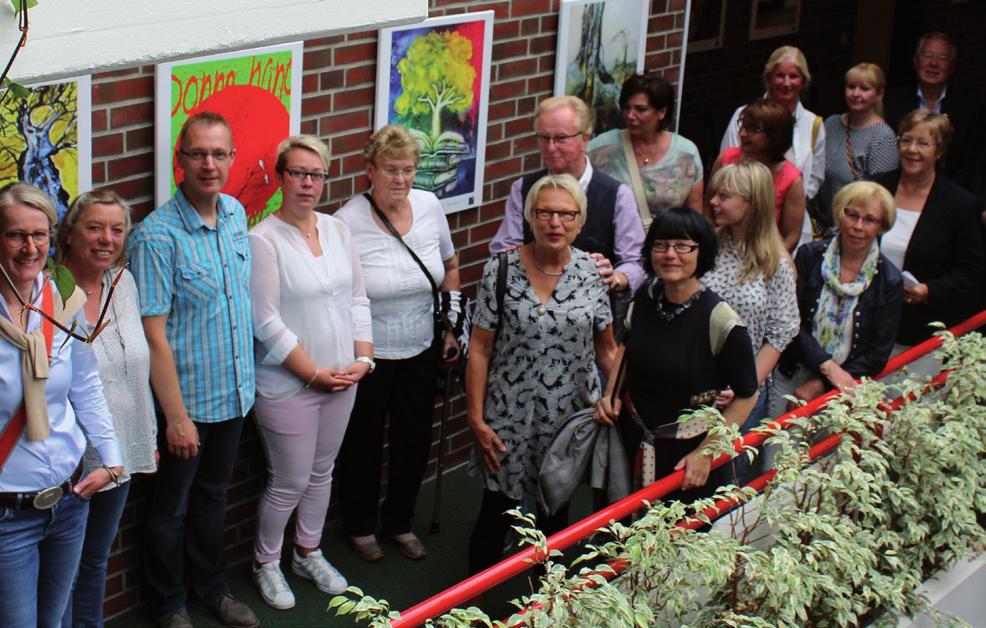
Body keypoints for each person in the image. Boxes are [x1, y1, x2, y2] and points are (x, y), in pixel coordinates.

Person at [130, 112, 258, 628]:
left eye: (219, 154)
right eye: (198, 154)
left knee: (214, 497)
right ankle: (169, 603)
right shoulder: (156, 237)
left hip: (233, 394)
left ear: (231, 158)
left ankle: (212, 589)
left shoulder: (234, 214)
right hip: (187, 404)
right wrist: (176, 418)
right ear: (180, 161)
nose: (209, 164)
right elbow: (152, 335)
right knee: (169, 510)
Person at [467, 174, 616, 573]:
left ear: (580, 222)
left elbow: (607, 348)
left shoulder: (592, 275)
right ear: (530, 217)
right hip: (506, 415)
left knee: (554, 519)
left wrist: (614, 396)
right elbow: (479, 349)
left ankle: (546, 607)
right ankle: (466, 609)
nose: (555, 223)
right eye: (545, 212)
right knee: (494, 514)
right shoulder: (499, 271)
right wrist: (476, 418)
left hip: (567, 418)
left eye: (566, 214)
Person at [248, 135, 373, 609]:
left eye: (316, 174)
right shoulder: (262, 240)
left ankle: (307, 552)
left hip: (344, 378)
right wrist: (313, 373)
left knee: (322, 474)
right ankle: (266, 563)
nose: (307, 182)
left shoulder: (338, 230)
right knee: (290, 480)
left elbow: (358, 298)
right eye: (297, 173)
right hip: (288, 385)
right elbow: (266, 322)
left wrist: (364, 359)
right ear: (280, 178)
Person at [0, 182, 123, 627]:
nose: (29, 247)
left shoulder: (57, 299)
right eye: (16, 235)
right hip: (7, 513)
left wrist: (110, 461)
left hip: (69, 502)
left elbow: (86, 386)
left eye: (40, 235)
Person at [335, 124, 459, 563]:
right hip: (371, 356)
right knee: (363, 444)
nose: (402, 179)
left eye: (408, 170)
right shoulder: (347, 221)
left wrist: (452, 328)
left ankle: (400, 522)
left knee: (413, 441)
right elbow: (342, 294)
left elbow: (449, 264)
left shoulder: (429, 206)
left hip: (422, 348)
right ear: (370, 170)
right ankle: (361, 525)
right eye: (391, 169)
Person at [594, 207, 758, 501]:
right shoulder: (646, 296)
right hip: (633, 442)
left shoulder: (719, 319)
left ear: (702, 252)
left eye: (683, 246)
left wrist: (706, 453)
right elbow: (627, 348)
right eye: (661, 245)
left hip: (687, 458)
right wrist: (611, 395)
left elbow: (748, 394)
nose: (670, 254)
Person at [56, 190, 156, 628]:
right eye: (94, 228)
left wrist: (144, 438)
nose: (106, 239)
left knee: (95, 560)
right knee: (61, 571)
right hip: (70, 463)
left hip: (119, 455)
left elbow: (138, 371)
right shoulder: (48, 293)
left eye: (117, 230)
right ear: (70, 234)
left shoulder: (124, 284)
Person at [770, 181, 904, 417]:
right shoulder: (809, 256)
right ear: (841, 214)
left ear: (881, 227)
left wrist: (823, 382)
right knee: (776, 452)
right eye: (852, 215)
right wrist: (827, 367)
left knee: (827, 453)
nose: (858, 226)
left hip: (846, 385)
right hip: (795, 372)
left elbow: (877, 354)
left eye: (870, 220)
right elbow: (790, 320)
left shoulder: (890, 280)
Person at [490, 95, 646, 297]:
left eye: (561, 138)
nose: (551, 147)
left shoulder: (617, 195)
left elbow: (635, 262)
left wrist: (618, 277)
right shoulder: (523, 189)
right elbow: (503, 249)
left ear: (585, 138)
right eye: (544, 138)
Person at [702, 162, 800, 468]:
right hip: (698, 386)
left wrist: (744, 387)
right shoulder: (707, 247)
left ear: (751, 203)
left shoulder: (775, 264)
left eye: (724, 196)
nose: (714, 202)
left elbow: (781, 334)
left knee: (730, 483)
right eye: (714, 194)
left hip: (743, 394)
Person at [874, 110, 985, 348]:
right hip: (868, 322)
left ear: (940, 151)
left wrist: (929, 291)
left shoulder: (959, 203)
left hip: (918, 332)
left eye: (923, 143)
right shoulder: (877, 187)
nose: (912, 149)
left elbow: (973, 271)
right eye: (906, 140)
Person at [586, 72, 704, 226]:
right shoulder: (602, 147)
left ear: (661, 112)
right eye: (627, 107)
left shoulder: (686, 154)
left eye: (640, 109)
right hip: (613, 244)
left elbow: (694, 214)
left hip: (666, 245)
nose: (630, 115)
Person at [720, 46, 825, 204]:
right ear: (768, 78)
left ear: (803, 81)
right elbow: (727, 164)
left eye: (794, 76)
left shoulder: (813, 124)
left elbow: (815, 178)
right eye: (780, 75)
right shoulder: (744, 116)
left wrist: (792, 202)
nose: (787, 82)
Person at [883, 31, 984, 194]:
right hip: (897, 191)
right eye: (927, 55)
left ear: (952, 66)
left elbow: (971, 165)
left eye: (942, 58)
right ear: (916, 61)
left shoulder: (969, 110)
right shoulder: (891, 102)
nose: (933, 64)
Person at [711, 98, 806, 252]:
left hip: (762, 257)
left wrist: (768, 264)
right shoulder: (726, 159)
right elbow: (708, 211)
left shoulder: (791, 179)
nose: (742, 134)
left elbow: (792, 236)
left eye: (752, 130)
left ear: (775, 135)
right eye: (742, 126)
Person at [816, 64, 899, 228]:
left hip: (854, 227)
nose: (856, 94)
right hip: (822, 223)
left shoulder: (883, 137)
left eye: (864, 88)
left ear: (879, 94)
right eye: (851, 87)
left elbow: (879, 195)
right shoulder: (831, 124)